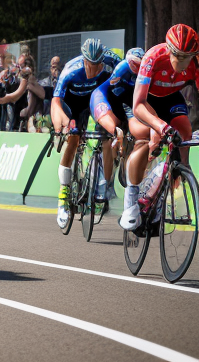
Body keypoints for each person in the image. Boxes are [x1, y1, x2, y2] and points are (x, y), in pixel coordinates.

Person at [120, 25, 198, 230]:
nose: (183, 62)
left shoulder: (195, 63)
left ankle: (179, 174)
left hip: (172, 98)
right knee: (151, 139)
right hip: (147, 102)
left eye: (188, 57)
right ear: (169, 50)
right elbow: (138, 104)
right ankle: (132, 195)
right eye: (178, 56)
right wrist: (160, 126)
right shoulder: (153, 56)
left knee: (185, 130)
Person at [50, 38, 121, 229]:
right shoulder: (70, 71)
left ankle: (105, 185)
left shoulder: (110, 61)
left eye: (99, 64)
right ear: (84, 61)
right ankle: (64, 194)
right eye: (92, 64)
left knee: (107, 136)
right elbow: (56, 102)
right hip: (72, 102)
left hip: (96, 98)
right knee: (73, 139)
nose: (96, 69)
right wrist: (62, 122)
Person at [91, 47, 145, 193]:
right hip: (112, 99)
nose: (138, 69)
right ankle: (107, 183)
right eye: (134, 65)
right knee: (108, 139)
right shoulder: (121, 69)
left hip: (130, 98)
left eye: (140, 65)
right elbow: (116, 97)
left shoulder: (144, 69)